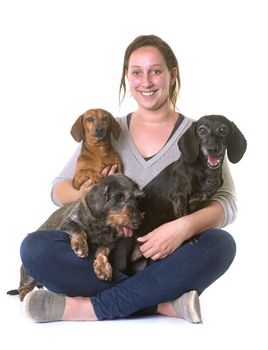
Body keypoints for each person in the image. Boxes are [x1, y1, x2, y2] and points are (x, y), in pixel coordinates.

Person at [20, 34, 237, 323]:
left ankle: (86, 308)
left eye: (155, 71)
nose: (146, 82)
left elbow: (227, 205)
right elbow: (58, 189)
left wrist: (181, 228)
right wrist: (93, 192)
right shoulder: (108, 128)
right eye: (137, 72)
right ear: (127, 77)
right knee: (34, 248)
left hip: (164, 255)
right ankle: (161, 305)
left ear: (173, 75)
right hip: (107, 252)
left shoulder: (199, 133)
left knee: (220, 245)